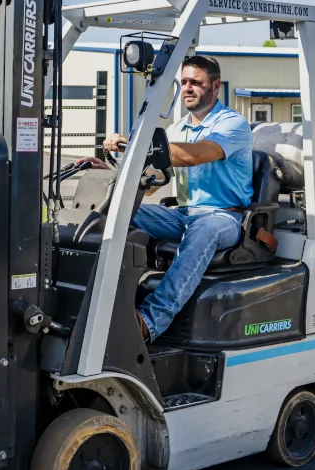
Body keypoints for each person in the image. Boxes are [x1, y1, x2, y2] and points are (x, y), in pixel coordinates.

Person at [96, 55, 254, 343]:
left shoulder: (234, 124)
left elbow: (196, 155)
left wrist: (134, 144)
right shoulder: (175, 130)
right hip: (182, 214)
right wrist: (121, 165)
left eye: (196, 82)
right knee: (114, 210)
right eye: (184, 82)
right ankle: (102, 300)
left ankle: (150, 321)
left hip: (224, 217)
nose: (188, 88)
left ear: (215, 86)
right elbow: (154, 180)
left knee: (203, 229)